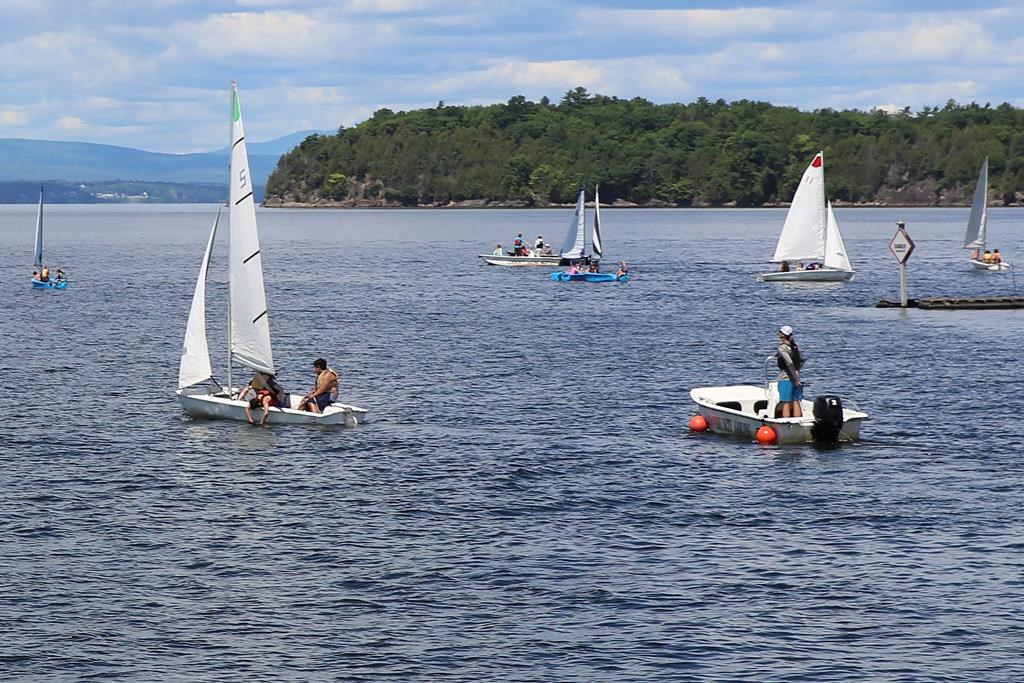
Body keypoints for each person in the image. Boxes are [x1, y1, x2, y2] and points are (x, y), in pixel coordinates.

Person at [776, 325, 804, 418]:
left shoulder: (782, 348)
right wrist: (797, 371)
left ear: (783, 335)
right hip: (797, 377)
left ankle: (787, 423)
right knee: (796, 401)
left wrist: (794, 376)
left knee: (786, 402)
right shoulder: (795, 346)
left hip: (786, 378)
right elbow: (803, 359)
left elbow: (789, 362)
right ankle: (797, 421)